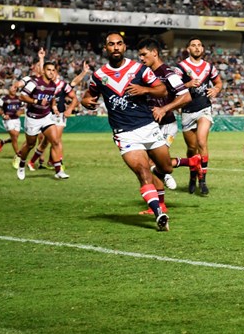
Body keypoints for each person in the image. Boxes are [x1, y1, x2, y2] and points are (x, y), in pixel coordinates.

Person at [80, 31, 173, 231]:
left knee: (166, 168)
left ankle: (167, 172)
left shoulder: (139, 69)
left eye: (119, 43)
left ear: (124, 47)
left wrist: (145, 90)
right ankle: (159, 214)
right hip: (125, 133)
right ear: (106, 48)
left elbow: (162, 90)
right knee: (142, 171)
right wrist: (85, 101)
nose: (115, 47)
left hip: (148, 127)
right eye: (111, 44)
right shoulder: (99, 76)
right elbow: (88, 95)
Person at [136, 38, 203, 214]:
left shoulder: (168, 74)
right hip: (152, 126)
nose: (141, 58)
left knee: (154, 164)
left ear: (154, 53)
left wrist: (164, 108)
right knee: (152, 165)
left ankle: (160, 204)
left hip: (166, 125)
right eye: (139, 55)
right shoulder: (147, 74)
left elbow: (186, 97)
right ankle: (191, 161)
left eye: (144, 54)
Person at [174, 38, 223, 195]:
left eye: (199, 45)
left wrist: (215, 90)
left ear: (202, 49)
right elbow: (172, 86)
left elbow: (219, 83)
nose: (197, 48)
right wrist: (187, 85)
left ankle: (203, 181)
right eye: (193, 45)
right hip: (187, 111)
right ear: (188, 49)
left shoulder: (209, 67)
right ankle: (192, 176)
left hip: (204, 108)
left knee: (202, 141)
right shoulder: (181, 67)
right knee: (191, 148)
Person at [16, 61, 68, 180]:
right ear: (44, 70)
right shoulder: (34, 83)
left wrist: (54, 108)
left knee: (55, 141)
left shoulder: (53, 86)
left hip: (46, 116)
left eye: (53, 70)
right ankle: (22, 165)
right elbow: (22, 96)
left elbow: (52, 99)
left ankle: (58, 171)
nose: (51, 72)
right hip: (33, 118)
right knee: (30, 145)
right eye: (49, 70)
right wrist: (36, 101)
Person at [0, 82, 25, 164]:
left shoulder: (19, 98)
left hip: (17, 120)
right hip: (8, 120)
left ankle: (3, 142)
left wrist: (20, 112)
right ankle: (18, 155)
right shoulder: (3, 99)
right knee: (14, 137)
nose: (15, 89)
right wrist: (3, 115)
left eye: (16, 88)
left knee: (15, 137)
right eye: (13, 87)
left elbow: (22, 108)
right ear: (9, 89)